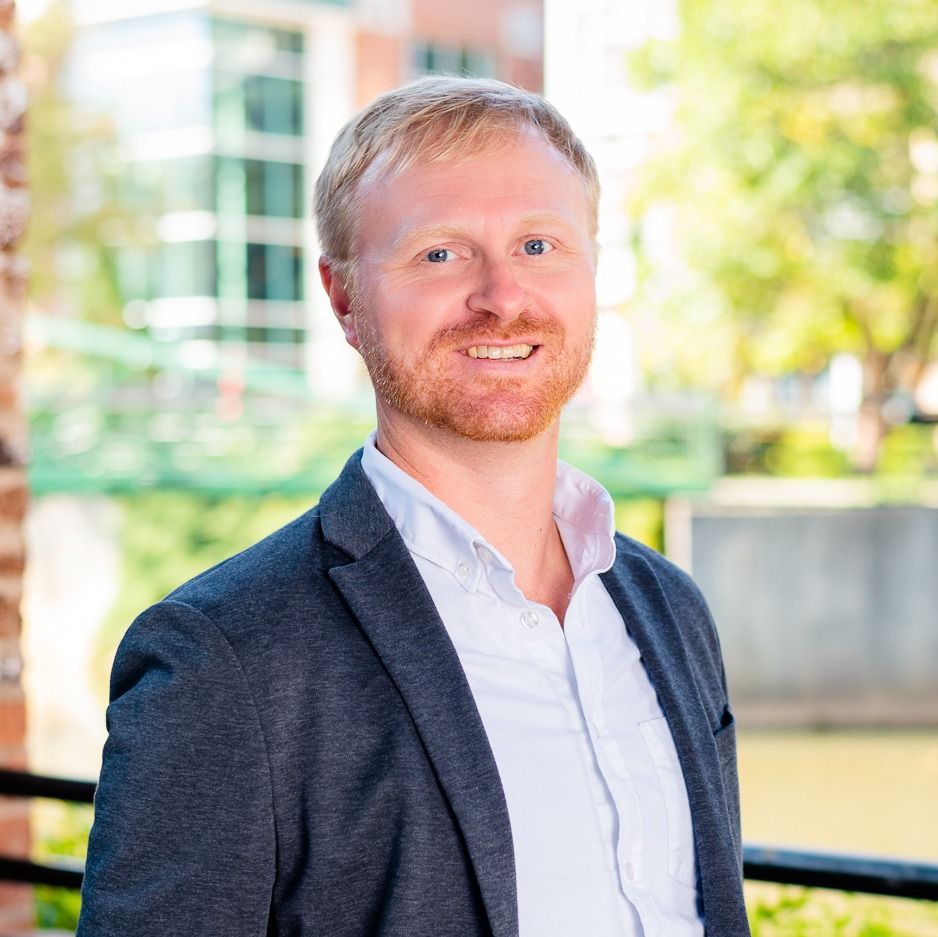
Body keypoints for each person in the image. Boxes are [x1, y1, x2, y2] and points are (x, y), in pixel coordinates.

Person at [77, 77, 749, 937]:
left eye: (540, 245)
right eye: (440, 254)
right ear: (344, 297)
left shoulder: (672, 613)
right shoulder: (227, 660)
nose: (503, 296)